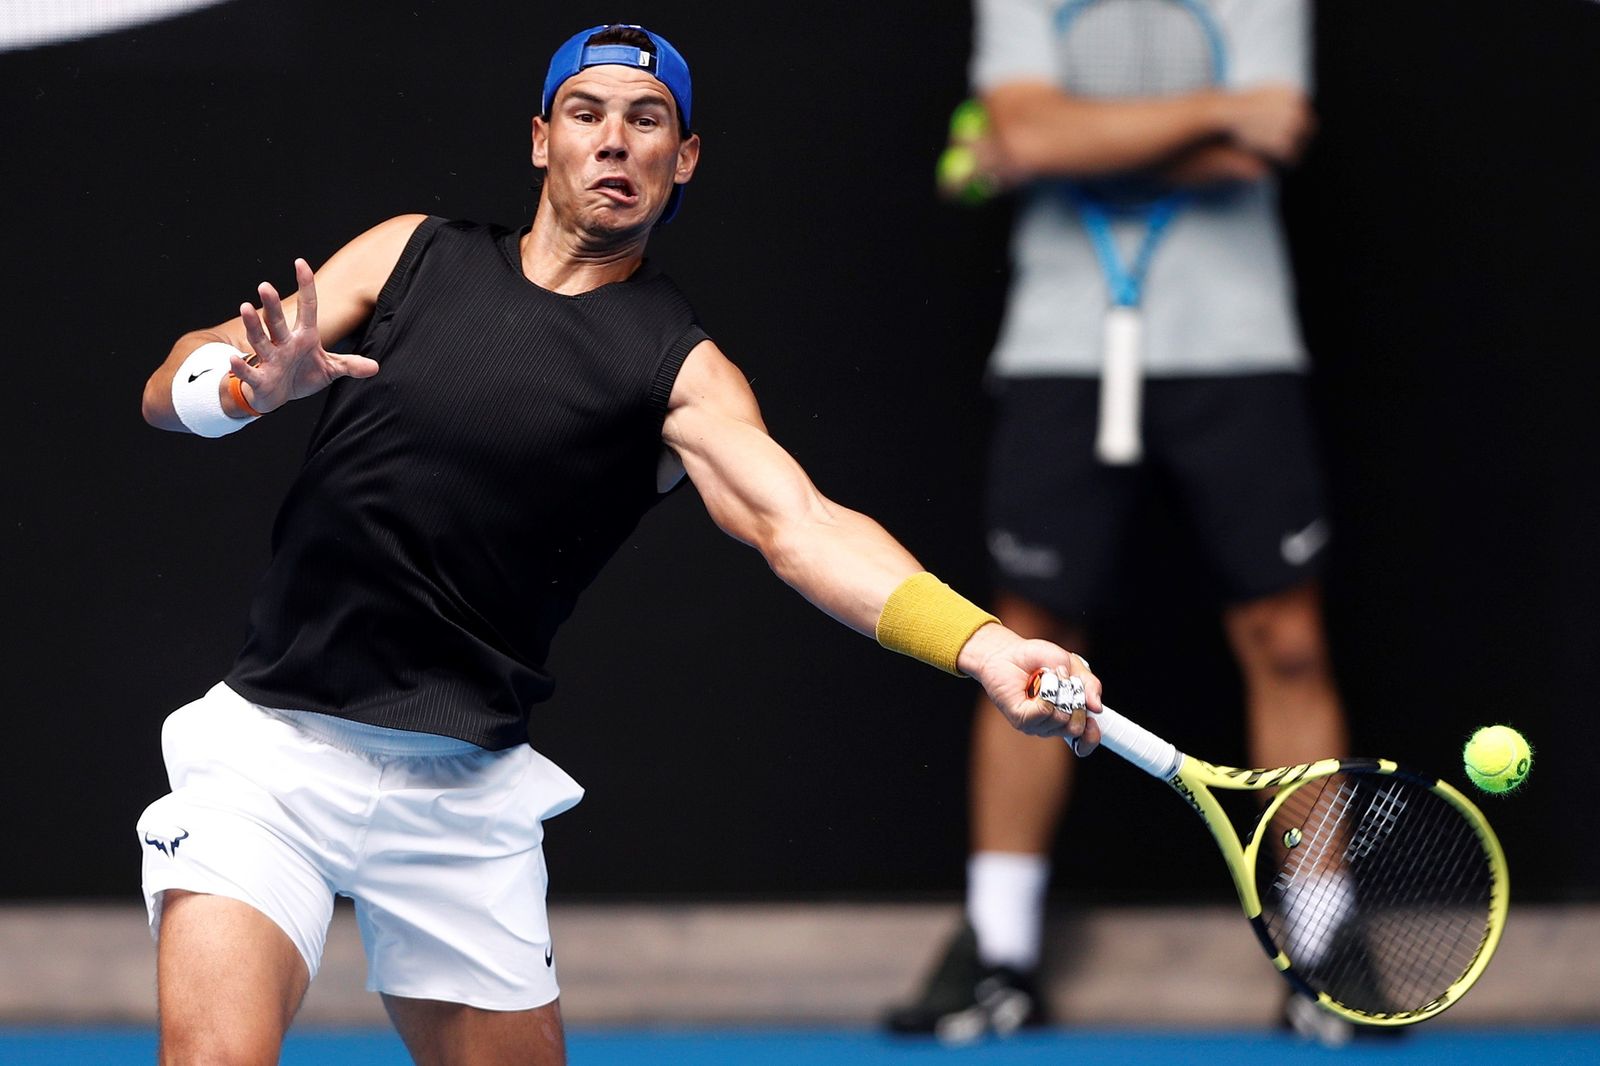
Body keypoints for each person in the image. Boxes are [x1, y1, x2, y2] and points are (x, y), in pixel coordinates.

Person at [135, 23, 1103, 1066]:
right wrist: (242, 387)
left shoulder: (677, 370)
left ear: (680, 160)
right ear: (542, 139)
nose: (614, 140)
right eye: (588, 115)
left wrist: (986, 645)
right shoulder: (411, 253)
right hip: (272, 758)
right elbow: (167, 386)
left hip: (459, 803)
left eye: (647, 121)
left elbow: (802, 526)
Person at [884, 0, 1355, 1045]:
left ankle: (1322, 945)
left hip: (1239, 346)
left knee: (1286, 637)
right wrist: (1212, 120)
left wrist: (1066, 140)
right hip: (1061, 348)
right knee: (1028, 638)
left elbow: (1267, 141)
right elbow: (1026, 133)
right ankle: (996, 951)